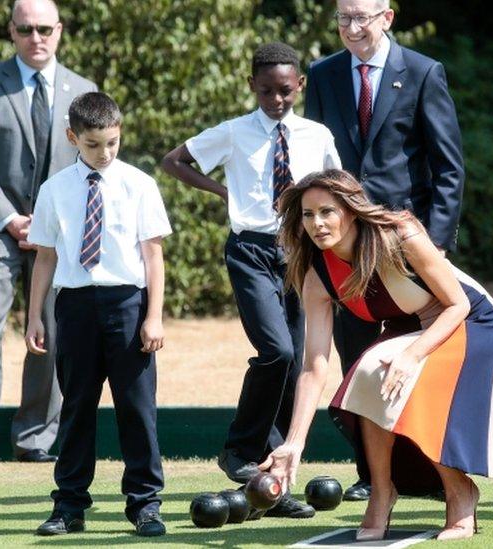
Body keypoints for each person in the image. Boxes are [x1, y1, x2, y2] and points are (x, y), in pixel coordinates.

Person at [260, 169, 493, 541]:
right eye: (307, 214)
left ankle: (460, 491)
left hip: (468, 321)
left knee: (395, 379)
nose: (317, 223)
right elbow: (314, 365)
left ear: (351, 210)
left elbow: (457, 304)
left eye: (327, 212)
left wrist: (413, 355)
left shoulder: (400, 234)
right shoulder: (318, 276)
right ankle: (382, 492)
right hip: (408, 328)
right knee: (368, 375)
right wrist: (294, 443)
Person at [161, 42, 340, 519]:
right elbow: (173, 161)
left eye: (284, 91)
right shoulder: (235, 133)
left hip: (300, 254)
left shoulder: (315, 134)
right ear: (251, 87)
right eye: (266, 92)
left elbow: (337, 187)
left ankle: (273, 482)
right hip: (250, 250)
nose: (276, 100)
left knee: (297, 363)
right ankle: (238, 449)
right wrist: (224, 190)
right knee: (276, 352)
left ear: (299, 86)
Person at [303, 0, 466, 501]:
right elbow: (316, 163)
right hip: (345, 248)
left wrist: (432, 248)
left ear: (387, 17)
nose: (352, 28)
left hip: (406, 250)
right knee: (357, 361)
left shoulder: (422, 72)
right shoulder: (323, 73)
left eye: (362, 18)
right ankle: (372, 477)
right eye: (343, 19)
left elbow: (448, 168)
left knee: (411, 361)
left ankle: (435, 476)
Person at [0, 0, 97, 467]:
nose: (37, 38)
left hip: (57, 232)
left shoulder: (84, 90)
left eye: (44, 29)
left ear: (60, 31)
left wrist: (52, 222)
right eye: (26, 30)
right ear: (12, 33)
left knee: (53, 334)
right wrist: (12, 219)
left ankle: (34, 439)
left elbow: (89, 164)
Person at [25, 92, 171, 537]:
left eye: (112, 142)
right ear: (73, 137)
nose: (104, 153)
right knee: (76, 407)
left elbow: (153, 255)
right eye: (92, 144)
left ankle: (145, 505)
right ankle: (69, 505)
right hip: (75, 307)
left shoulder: (139, 184)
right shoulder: (53, 190)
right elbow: (46, 258)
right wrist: (34, 316)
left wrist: (155, 316)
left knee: (137, 408)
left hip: (128, 304)